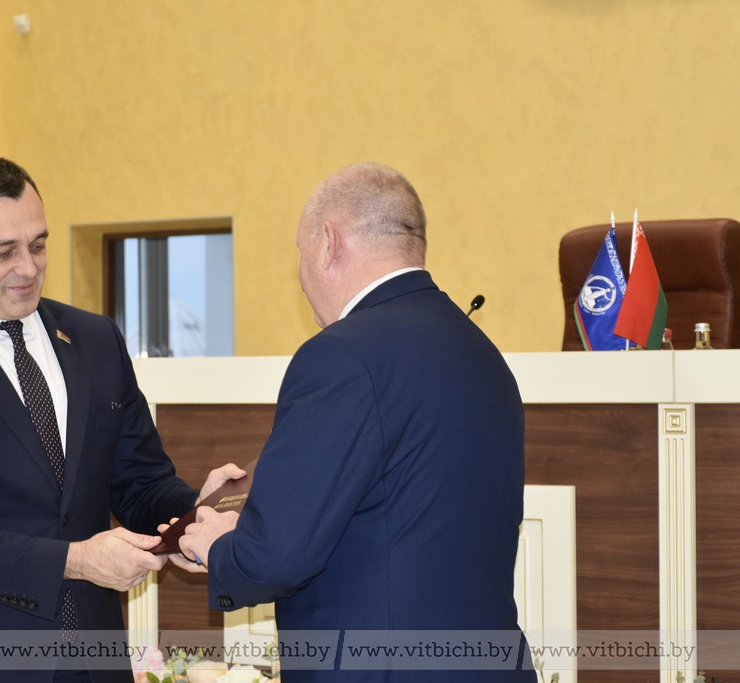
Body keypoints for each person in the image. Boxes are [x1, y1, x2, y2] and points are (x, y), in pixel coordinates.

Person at [0, 156, 237, 683]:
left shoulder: (96, 339)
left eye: (38, 245)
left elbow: (138, 481)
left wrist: (194, 511)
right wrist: (74, 561)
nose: (29, 268)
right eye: (3, 252)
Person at [178, 163, 534, 682]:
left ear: (328, 243)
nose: (301, 277)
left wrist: (217, 546)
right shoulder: (483, 353)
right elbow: (400, 511)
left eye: (299, 252)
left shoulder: (339, 356)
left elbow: (277, 558)